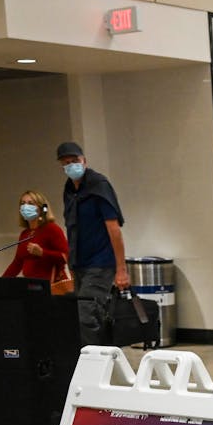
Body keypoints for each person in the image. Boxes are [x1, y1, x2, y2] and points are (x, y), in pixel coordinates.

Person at [57, 142, 128, 345]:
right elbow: (72, 228)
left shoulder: (99, 185)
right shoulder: (69, 190)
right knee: (91, 315)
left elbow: (113, 229)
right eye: (66, 163)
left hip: (101, 262)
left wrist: (121, 269)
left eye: (75, 161)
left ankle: (93, 365)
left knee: (86, 316)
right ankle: (104, 358)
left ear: (84, 161)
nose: (72, 166)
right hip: (80, 263)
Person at [1, 190, 69, 283]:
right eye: (23, 203)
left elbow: (66, 257)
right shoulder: (24, 234)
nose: (25, 206)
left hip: (52, 287)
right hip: (32, 286)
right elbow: (17, 263)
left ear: (41, 208)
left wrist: (42, 253)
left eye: (30, 203)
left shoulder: (52, 229)